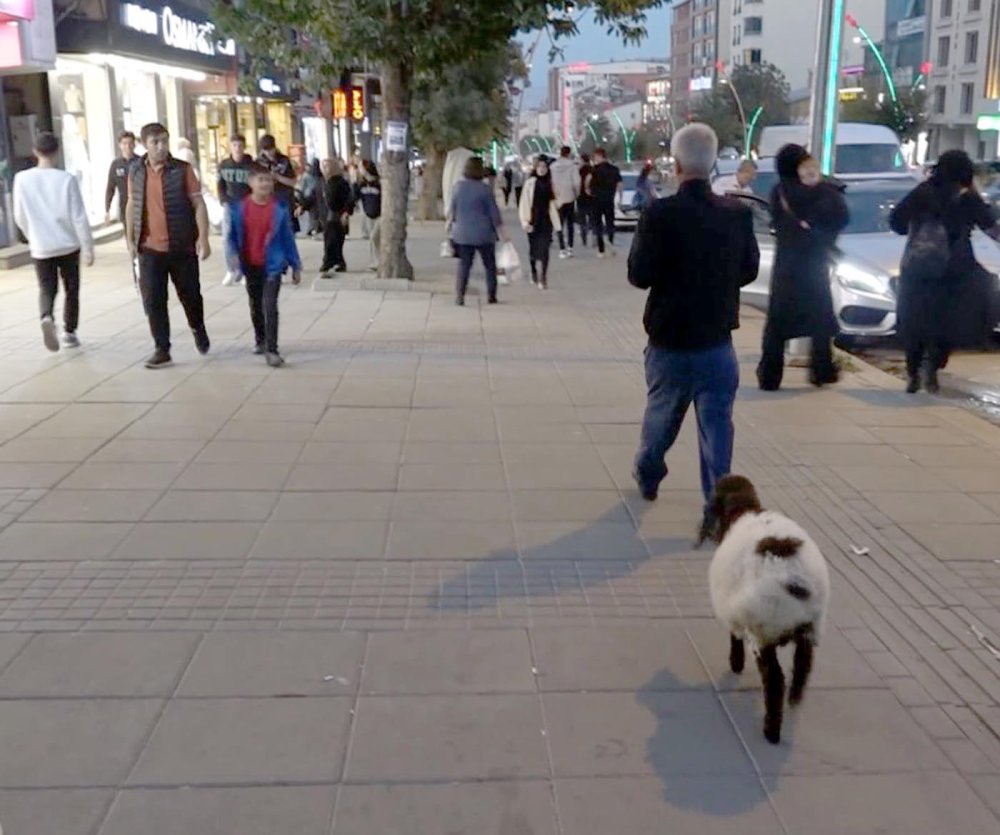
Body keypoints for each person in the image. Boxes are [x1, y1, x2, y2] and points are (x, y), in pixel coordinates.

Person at [627, 123, 759, 541]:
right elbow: (749, 270)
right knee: (717, 430)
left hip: (668, 341)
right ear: (714, 162)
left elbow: (638, 275)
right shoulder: (738, 214)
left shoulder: (659, 214)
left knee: (660, 419)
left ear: (678, 164)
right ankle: (717, 510)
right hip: (717, 342)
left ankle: (649, 473)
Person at [889, 149, 1000, 393]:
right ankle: (933, 367)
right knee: (950, 322)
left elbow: (896, 222)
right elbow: (991, 226)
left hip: (919, 267)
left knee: (916, 321)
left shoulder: (922, 192)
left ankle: (913, 372)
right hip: (956, 270)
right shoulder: (967, 197)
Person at [756, 144, 848, 391]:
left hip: (786, 267)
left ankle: (769, 376)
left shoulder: (779, 193)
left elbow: (776, 221)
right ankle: (821, 370)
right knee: (819, 320)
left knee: (777, 325)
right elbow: (841, 215)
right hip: (813, 266)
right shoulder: (822, 192)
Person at [126, 122, 211, 369]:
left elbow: (198, 204)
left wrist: (202, 238)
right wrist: (130, 239)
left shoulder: (182, 170)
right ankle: (162, 348)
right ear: (145, 145)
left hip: (181, 246)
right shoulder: (136, 171)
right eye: (155, 142)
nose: (162, 147)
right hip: (149, 248)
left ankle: (198, 328)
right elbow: (131, 205)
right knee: (153, 299)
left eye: (164, 141)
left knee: (190, 295)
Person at [13, 132, 94, 352]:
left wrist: (32, 235)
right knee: (71, 288)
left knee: (47, 287)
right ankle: (69, 332)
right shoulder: (66, 179)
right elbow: (79, 216)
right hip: (68, 245)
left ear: (35, 151)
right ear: (57, 152)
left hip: (41, 246)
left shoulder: (22, 179)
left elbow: (19, 215)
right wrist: (87, 248)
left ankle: (46, 315)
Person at [227, 163, 302, 367]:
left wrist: (295, 265)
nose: (266, 184)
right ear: (251, 183)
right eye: (261, 180)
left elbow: (287, 238)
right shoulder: (239, 209)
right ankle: (260, 339)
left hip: (273, 265)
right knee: (256, 304)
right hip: (251, 263)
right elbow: (232, 237)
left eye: (268, 180)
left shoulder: (279, 209)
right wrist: (232, 260)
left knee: (270, 305)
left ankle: (272, 349)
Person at [448, 155, 510, 306]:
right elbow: (494, 213)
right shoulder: (485, 190)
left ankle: (460, 295)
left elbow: (452, 211)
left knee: (464, 265)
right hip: (484, 234)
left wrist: (451, 227)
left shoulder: (458, 187)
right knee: (489, 265)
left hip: (463, 233)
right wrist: (502, 231)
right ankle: (491, 295)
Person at [519, 156, 561, 289]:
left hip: (546, 220)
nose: (542, 170)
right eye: (539, 167)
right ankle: (533, 271)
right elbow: (524, 203)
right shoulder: (530, 183)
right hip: (533, 219)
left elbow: (555, 202)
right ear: (535, 168)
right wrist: (525, 221)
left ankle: (543, 276)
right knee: (533, 249)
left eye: (544, 167)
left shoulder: (550, 183)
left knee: (545, 249)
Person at [217, 134, 254, 286]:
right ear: (230, 147)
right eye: (234, 146)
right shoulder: (224, 165)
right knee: (227, 237)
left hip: (246, 204)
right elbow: (220, 184)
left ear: (244, 147)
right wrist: (223, 200)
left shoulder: (251, 165)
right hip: (230, 204)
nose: (237, 149)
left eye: (240, 145)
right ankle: (232, 269)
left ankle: (245, 271)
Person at [586, 148, 623, 257]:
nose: (594, 159)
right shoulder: (614, 169)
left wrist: (587, 190)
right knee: (610, 223)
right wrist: (619, 196)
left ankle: (601, 249)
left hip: (596, 199)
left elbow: (588, 180)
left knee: (598, 224)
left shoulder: (594, 169)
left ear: (599, 156)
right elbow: (620, 184)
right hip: (609, 199)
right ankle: (610, 242)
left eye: (595, 157)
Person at [319, 159, 353, 276]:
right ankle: (336, 261)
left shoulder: (341, 182)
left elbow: (349, 199)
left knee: (335, 241)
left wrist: (346, 212)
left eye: (327, 167)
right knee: (330, 240)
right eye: (323, 167)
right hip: (327, 217)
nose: (325, 169)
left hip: (337, 216)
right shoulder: (325, 182)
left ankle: (330, 262)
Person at [550, 146, 580, 259]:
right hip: (570, 197)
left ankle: (562, 248)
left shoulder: (553, 167)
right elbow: (577, 182)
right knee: (570, 224)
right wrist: (576, 194)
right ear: (569, 153)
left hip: (557, 198)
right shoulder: (573, 166)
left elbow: (550, 182)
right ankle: (570, 248)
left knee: (559, 224)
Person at [104, 131, 137, 223]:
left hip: (140, 205)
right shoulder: (116, 164)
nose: (128, 146)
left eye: (130, 143)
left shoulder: (141, 162)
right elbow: (110, 188)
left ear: (134, 144)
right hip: (124, 206)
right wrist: (107, 209)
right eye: (124, 143)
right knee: (129, 234)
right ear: (120, 145)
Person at [356, 160, 382, 271]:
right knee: (373, 239)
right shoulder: (361, 184)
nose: (359, 170)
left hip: (380, 215)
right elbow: (355, 197)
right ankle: (375, 261)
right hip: (368, 214)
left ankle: (380, 261)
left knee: (375, 237)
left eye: (361, 167)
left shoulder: (379, 184)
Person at [257, 134, 295, 208]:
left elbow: (293, 182)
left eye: (270, 149)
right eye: (265, 150)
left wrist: (278, 177)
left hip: (285, 198)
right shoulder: (258, 163)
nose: (268, 153)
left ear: (274, 147)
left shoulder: (284, 160)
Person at [577, 153, 594, 247]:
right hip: (592, 197)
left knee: (582, 219)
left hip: (581, 197)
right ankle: (593, 236)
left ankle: (584, 238)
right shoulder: (593, 170)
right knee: (592, 218)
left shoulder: (579, 171)